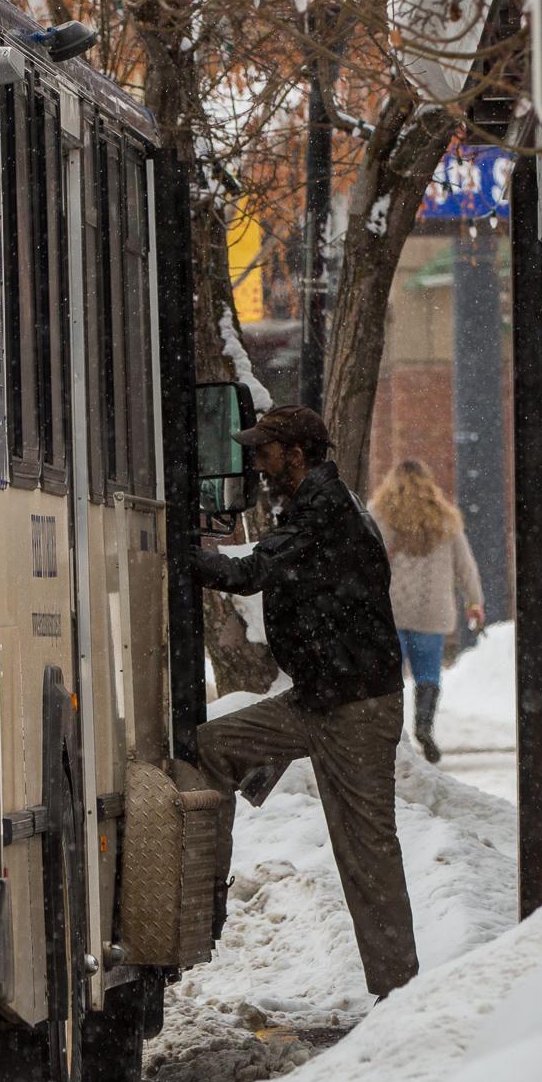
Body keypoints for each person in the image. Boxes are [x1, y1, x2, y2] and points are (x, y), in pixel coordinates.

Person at [191, 404, 420, 999]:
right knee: (216, 744)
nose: (257, 464)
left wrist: (176, 554)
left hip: (355, 707)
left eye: (265, 452)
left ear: (296, 455)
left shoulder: (326, 509)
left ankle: (401, 992)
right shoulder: (313, 506)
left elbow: (250, 574)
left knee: (365, 849)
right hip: (319, 700)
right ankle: (205, 894)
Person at [369, 458, 483, 765]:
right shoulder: (445, 519)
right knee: (428, 675)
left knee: (389, 675)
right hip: (433, 611)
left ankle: (388, 734)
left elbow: (365, 557)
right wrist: (474, 602)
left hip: (392, 610)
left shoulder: (379, 516)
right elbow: (465, 566)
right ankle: (424, 727)